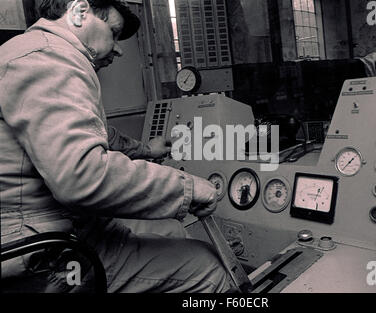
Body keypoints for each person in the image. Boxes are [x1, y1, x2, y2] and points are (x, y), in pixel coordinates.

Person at [0, 0, 233, 293]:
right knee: (207, 267)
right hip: (46, 255)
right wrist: (187, 187)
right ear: (80, 11)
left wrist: (147, 150)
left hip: (51, 230)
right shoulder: (49, 60)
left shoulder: (25, 51)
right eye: (113, 31)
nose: (119, 48)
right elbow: (81, 177)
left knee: (172, 229)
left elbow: (98, 135)